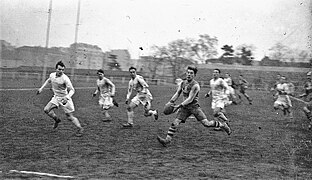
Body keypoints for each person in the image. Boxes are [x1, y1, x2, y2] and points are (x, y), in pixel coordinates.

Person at [157, 66, 231, 147]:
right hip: (185, 108)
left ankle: (222, 125)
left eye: (191, 73)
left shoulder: (195, 86)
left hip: (194, 107)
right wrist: (171, 102)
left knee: (207, 124)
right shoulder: (182, 83)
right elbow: (177, 93)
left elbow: (190, 99)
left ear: (194, 75)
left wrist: (178, 106)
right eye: (188, 72)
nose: (189, 74)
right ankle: (167, 140)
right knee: (175, 122)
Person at [36, 61, 84, 136]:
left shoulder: (65, 78)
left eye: (62, 70)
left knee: (70, 117)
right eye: (59, 69)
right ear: (56, 69)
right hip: (56, 97)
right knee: (46, 110)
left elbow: (72, 90)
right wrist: (41, 88)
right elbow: (48, 80)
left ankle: (80, 128)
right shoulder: (52, 75)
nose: (61, 71)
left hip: (64, 99)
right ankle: (57, 120)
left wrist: (67, 98)